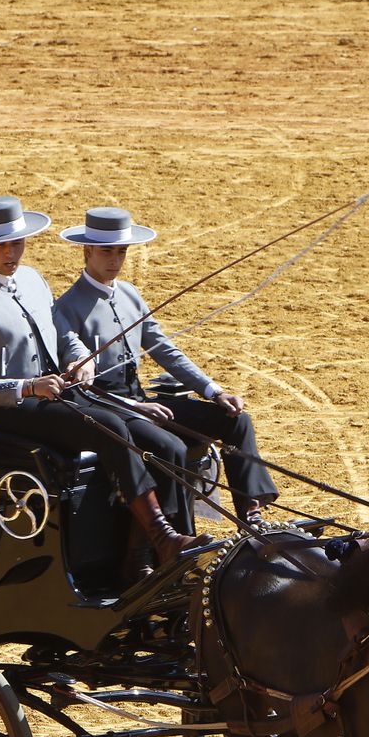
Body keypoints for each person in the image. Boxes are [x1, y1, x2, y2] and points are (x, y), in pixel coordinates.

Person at [0, 195, 201, 567]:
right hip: (15, 408)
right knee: (110, 425)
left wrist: (80, 356)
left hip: (61, 393)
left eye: (16, 242)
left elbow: (61, 334)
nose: (10, 251)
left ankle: (142, 554)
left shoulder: (33, 279)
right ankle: (162, 536)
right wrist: (27, 387)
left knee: (162, 442)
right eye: (1, 244)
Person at [53, 206, 279, 528]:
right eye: (107, 251)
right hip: (111, 410)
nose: (115, 260)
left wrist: (213, 390)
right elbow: (83, 389)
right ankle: (179, 535)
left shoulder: (130, 294)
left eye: (122, 251)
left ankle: (251, 514)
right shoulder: (66, 307)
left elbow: (164, 349)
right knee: (171, 445)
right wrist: (136, 407)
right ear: (87, 250)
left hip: (143, 400)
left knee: (236, 421)